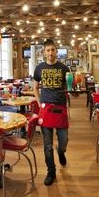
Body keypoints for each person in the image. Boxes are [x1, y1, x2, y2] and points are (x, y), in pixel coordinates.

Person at [33, 39, 71, 186]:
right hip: (46, 109)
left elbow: (69, 87)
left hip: (60, 107)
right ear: (44, 51)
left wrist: (72, 89)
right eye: (48, 50)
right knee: (47, 145)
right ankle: (51, 172)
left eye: (53, 50)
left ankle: (61, 152)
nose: (50, 53)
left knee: (64, 140)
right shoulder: (39, 68)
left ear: (56, 51)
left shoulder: (64, 68)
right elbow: (35, 87)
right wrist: (39, 103)